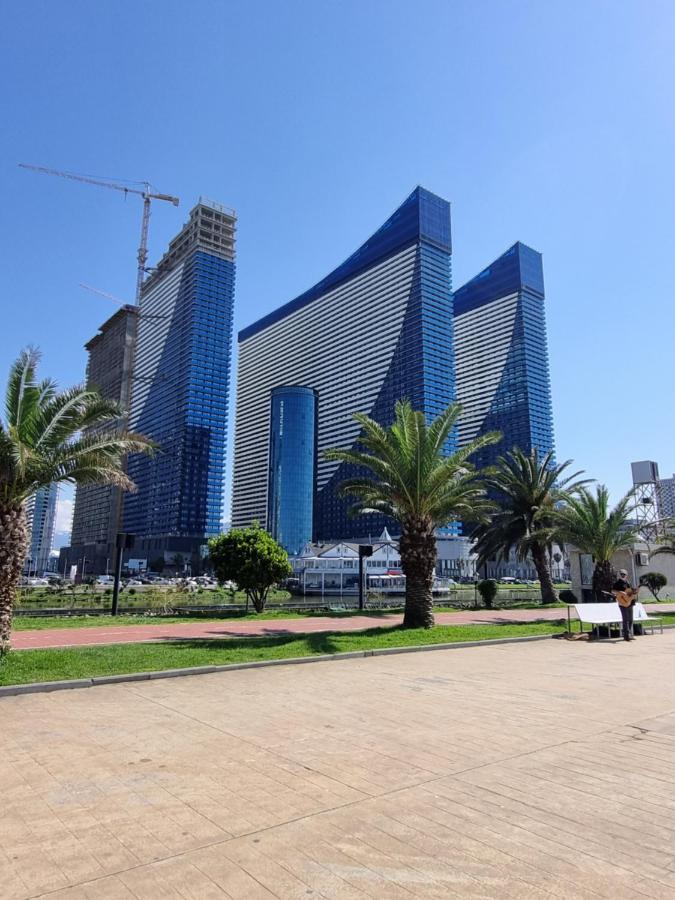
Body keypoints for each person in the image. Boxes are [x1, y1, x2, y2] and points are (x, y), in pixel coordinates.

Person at [613, 568, 636, 642]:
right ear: (619, 575)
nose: (622, 575)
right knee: (625, 619)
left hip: (630, 603)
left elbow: (630, 592)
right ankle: (626, 636)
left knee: (630, 619)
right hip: (622, 603)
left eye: (624, 574)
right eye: (621, 574)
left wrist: (634, 591)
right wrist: (620, 592)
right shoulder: (617, 583)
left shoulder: (628, 582)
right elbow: (613, 591)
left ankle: (629, 634)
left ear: (626, 575)